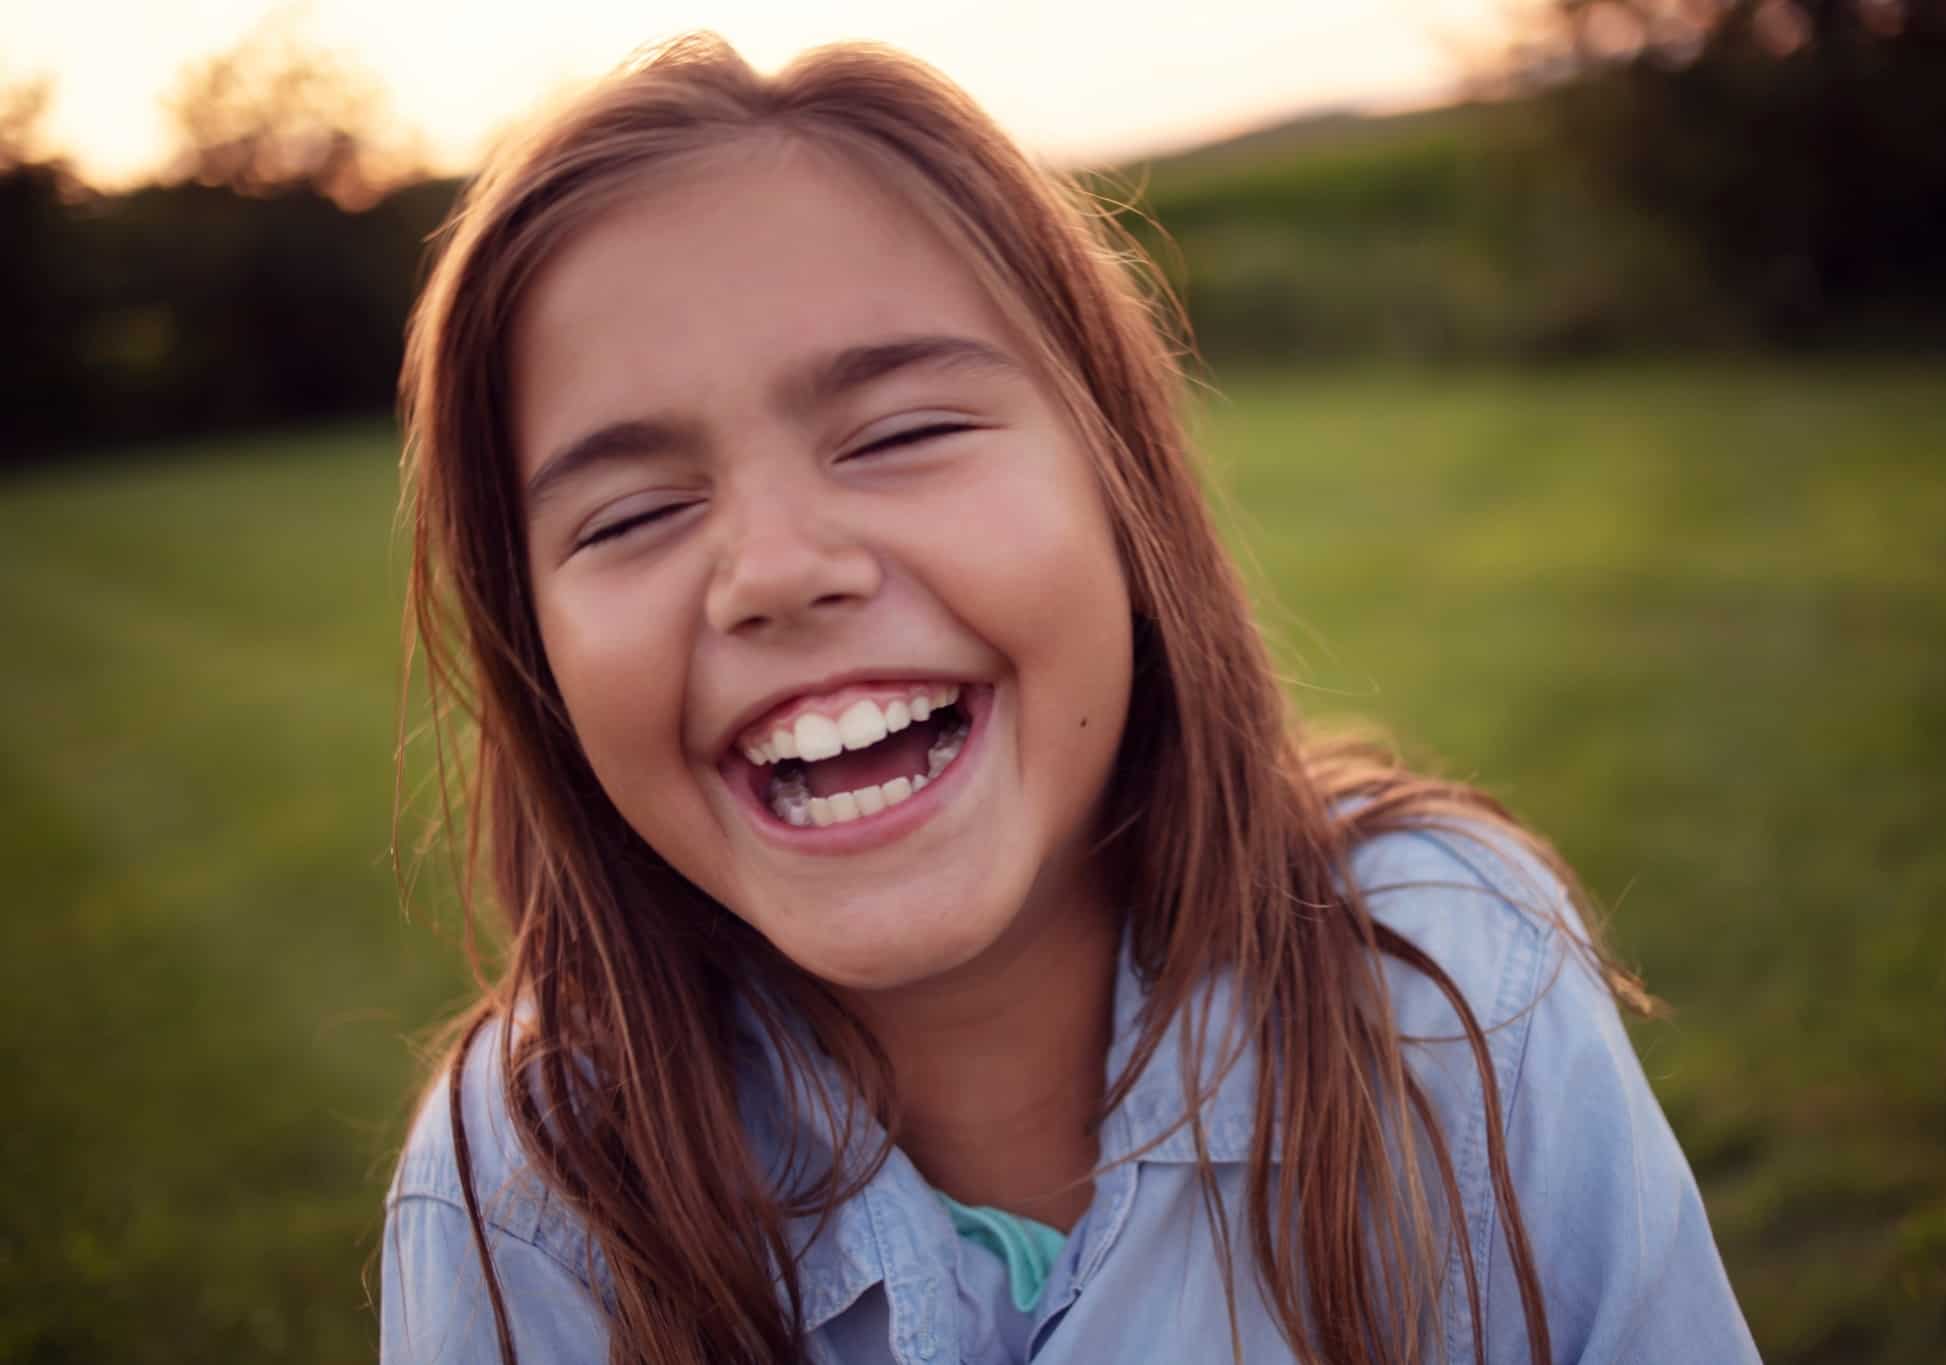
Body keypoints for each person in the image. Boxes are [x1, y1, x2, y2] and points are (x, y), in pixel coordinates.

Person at [379, 32, 1759, 1365]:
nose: (778, 573)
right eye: (628, 514)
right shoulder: (519, 1200)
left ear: (1123, 486)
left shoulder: (1456, 978)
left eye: (906, 431)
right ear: (534, 653)